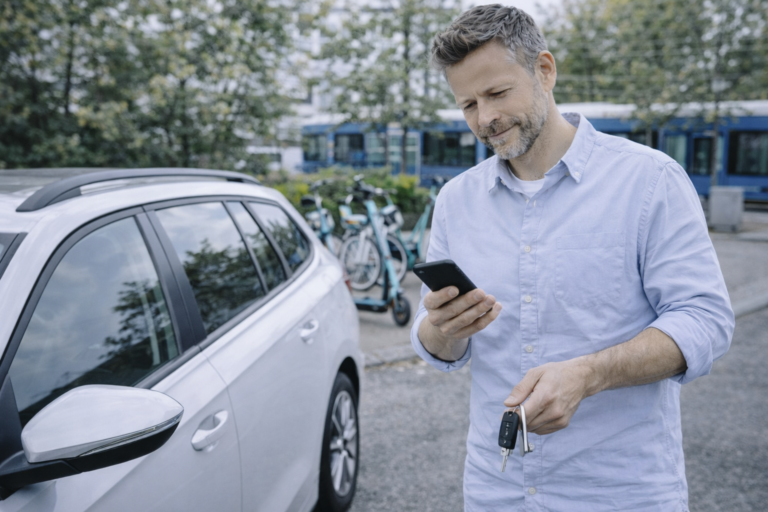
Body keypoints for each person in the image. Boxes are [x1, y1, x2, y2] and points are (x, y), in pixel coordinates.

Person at [410, 4, 734, 511]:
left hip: (621, 493)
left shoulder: (649, 181)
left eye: (496, 93)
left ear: (545, 70)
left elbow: (706, 320)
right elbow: (434, 342)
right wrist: (442, 329)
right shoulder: (456, 200)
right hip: (496, 491)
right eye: (468, 104)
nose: (485, 118)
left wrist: (588, 374)